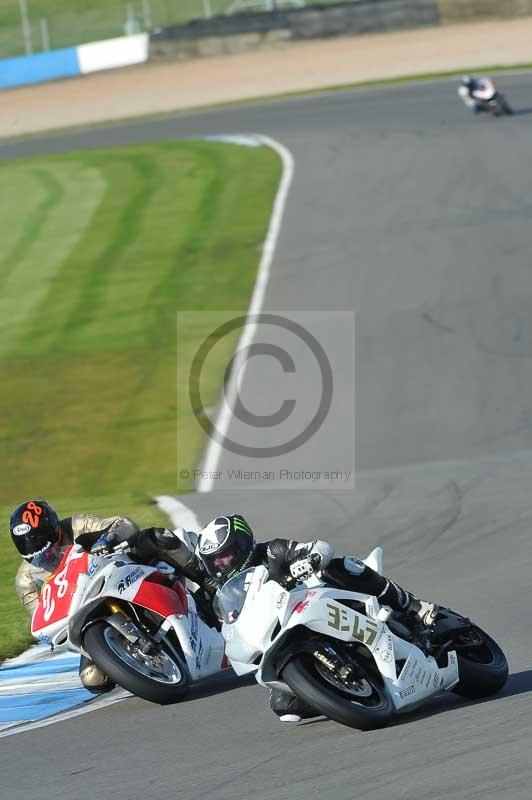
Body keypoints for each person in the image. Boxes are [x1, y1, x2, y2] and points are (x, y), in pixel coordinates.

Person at [197, 513, 439, 723]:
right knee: (284, 706)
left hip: (320, 599)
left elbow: (320, 547)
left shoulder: (273, 550)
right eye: (215, 560)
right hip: (282, 630)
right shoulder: (225, 595)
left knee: (343, 567)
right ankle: (344, 689)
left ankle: (414, 606)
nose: (221, 563)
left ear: (243, 544)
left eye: (226, 555)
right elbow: (232, 628)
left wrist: (311, 559)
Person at [9, 499, 208, 694]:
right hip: (83, 610)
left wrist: (107, 539)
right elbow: (42, 613)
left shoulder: (77, 525)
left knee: (156, 537)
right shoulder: (25, 580)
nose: (38, 553)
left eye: (40, 541)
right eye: (27, 547)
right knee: (93, 679)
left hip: (120, 571)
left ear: (53, 529)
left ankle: (207, 580)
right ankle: (136, 661)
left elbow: (124, 524)